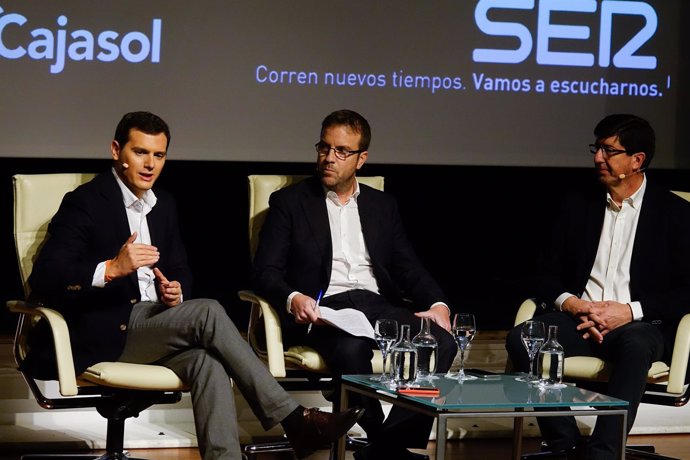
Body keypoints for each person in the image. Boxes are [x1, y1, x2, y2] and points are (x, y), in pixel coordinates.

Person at [24, 111, 363, 460]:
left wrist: (176, 290)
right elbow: (46, 277)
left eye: (159, 155)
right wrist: (111, 269)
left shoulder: (164, 205)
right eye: (141, 152)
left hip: (154, 323)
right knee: (209, 312)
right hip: (104, 329)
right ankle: (295, 419)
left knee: (207, 363)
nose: (150, 164)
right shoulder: (86, 202)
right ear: (116, 151)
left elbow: (181, 269)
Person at [252, 109, 457, 460]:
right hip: (325, 309)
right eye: (324, 148)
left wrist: (438, 303)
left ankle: (391, 441)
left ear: (361, 159)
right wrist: (293, 297)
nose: (329, 158)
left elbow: (408, 266)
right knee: (351, 350)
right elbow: (265, 271)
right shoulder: (291, 202)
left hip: (375, 304)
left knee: (441, 341)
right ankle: (387, 448)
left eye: (342, 151)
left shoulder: (382, 206)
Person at [505, 114, 690, 460]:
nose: (597, 158)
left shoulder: (675, 214)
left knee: (636, 344)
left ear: (637, 160)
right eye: (596, 148)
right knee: (521, 338)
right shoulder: (578, 204)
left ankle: (603, 453)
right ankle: (565, 444)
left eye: (609, 150)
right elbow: (544, 274)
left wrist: (630, 311)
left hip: (639, 324)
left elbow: (686, 291)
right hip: (579, 318)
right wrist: (572, 304)